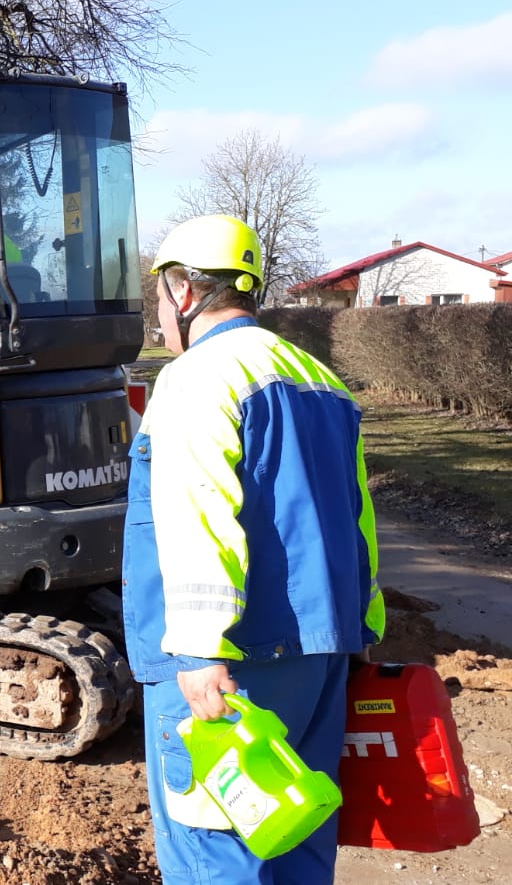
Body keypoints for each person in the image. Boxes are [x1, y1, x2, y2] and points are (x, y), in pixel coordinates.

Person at [123, 215, 385, 883]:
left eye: (160, 297)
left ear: (185, 291)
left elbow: (198, 515)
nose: (159, 314)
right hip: (323, 659)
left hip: (231, 670)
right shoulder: (320, 379)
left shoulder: (195, 379)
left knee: (217, 851)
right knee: (296, 842)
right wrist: (365, 632)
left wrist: (199, 648)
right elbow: (359, 522)